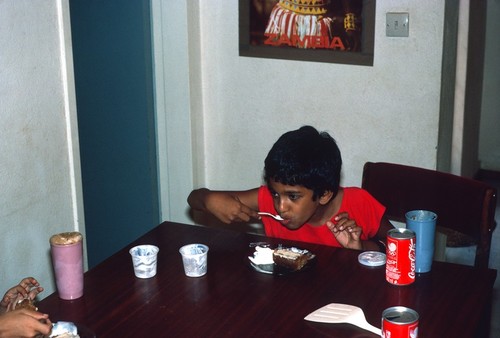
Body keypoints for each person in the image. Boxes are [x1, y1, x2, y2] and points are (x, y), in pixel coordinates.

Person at [188, 125, 393, 251]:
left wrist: (361, 248)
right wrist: (208, 199)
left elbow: (405, 246)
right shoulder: (267, 200)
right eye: (276, 193)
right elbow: (193, 199)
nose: (280, 206)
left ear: (324, 194)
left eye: (293, 196)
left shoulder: (359, 202)